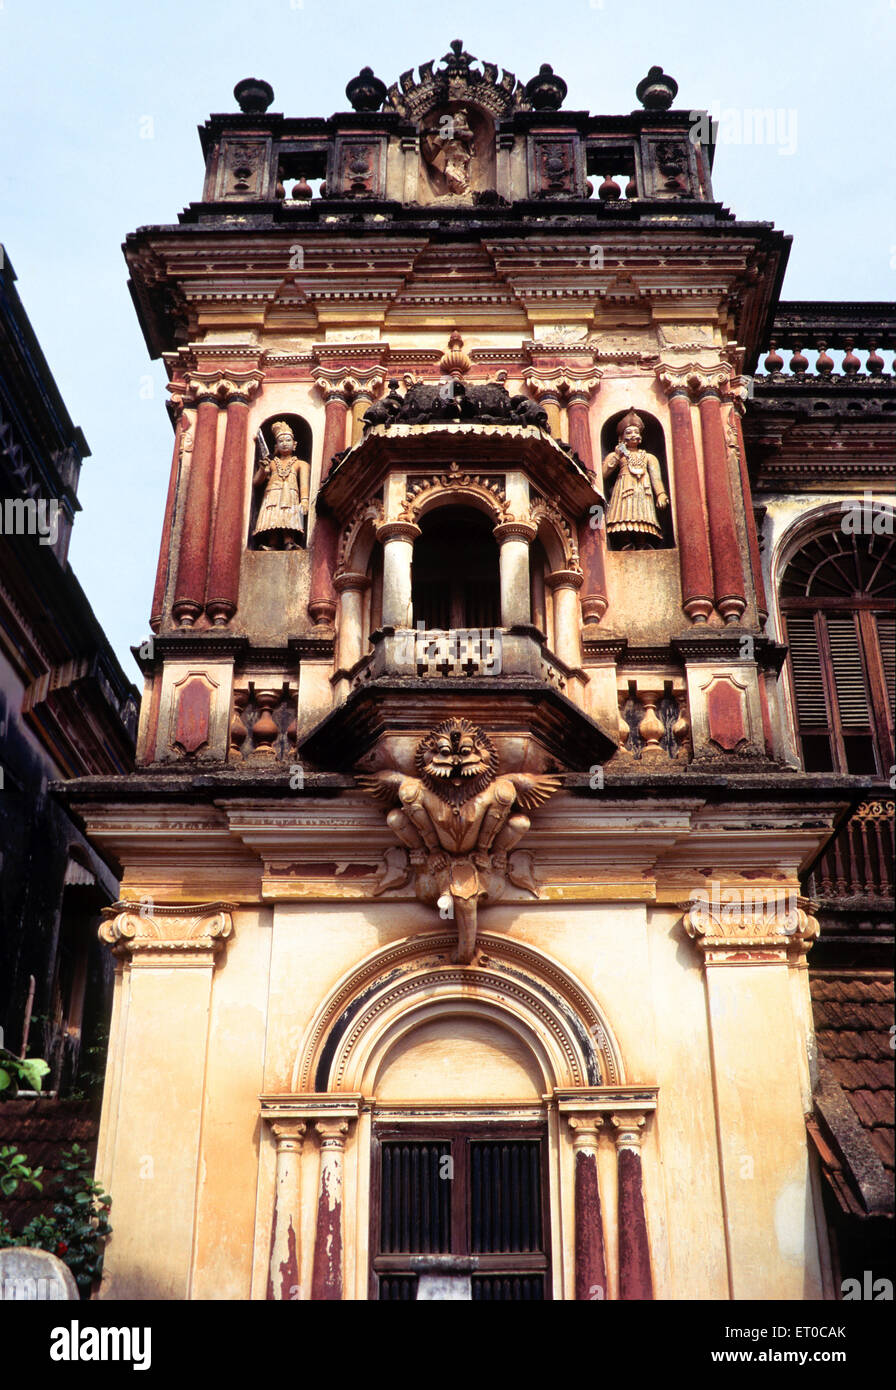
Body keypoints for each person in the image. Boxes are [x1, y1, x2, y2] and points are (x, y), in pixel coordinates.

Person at [602, 410, 669, 548]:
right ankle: (625, 542)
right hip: (624, 488)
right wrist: (616, 456)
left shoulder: (649, 457)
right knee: (624, 514)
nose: (633, 435)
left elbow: (656, 478)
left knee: (642, 514)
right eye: (629, 432)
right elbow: (603, 474)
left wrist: (661, 494)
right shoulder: (618, 454)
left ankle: (641, 543)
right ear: (621, 438)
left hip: (643, 490)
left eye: (636, 432)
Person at [252, 421, 310, 550]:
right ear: (276, 445)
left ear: (294, 444)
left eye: (288, 440)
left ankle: (288, 542)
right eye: (281, 441)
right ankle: (272, 543)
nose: (284, 443)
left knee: (287, 516)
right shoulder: (271, 463)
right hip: (272, 494)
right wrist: (263, 470)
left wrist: (304, 500)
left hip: (290, 494)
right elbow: (256, 482)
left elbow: (304, 484)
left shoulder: (301, 464)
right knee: (273, 517)